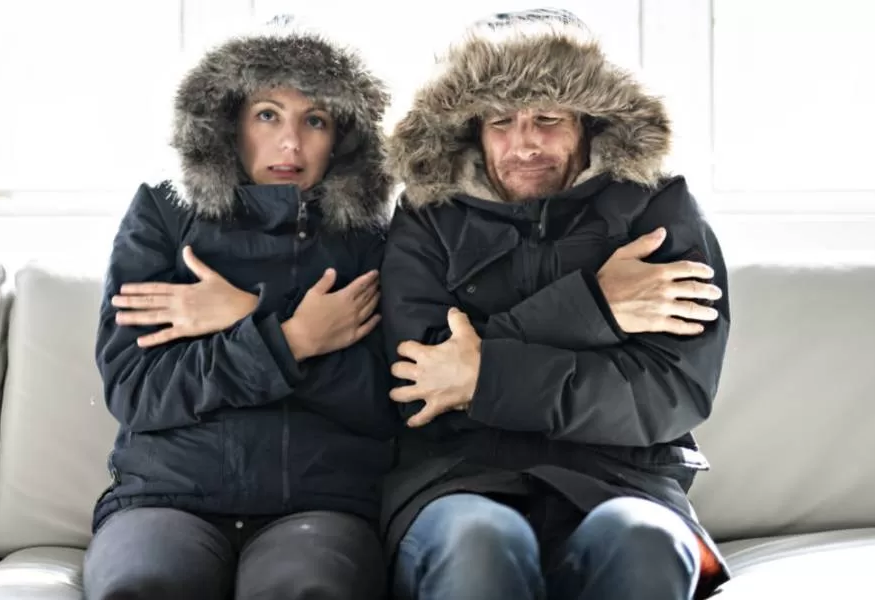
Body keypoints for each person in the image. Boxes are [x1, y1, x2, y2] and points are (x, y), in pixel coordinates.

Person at [379, 8, 732, 600]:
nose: (525, 143)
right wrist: (593, 307)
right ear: (472, 128)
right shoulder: (426, 216)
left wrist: (483, 374)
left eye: (548, 118)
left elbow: (670, 393)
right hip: (456, 482)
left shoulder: (659, 211)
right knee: (480, 543)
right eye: (501, 121)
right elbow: (424, 382)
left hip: (628, 482)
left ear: (590, 122)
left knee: (644, 540)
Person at [82, 15, 398, 600]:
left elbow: (384, 401)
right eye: (268, 115)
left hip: (319, 504)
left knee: (309, 591)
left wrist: (240, 313)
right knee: (142, 589)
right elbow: (133, 386)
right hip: (165, 498)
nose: (291, 143)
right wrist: (288, 338)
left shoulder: (370, 239)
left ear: (343, 137)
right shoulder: (163, 216)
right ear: (228, 124)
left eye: (316, 120)